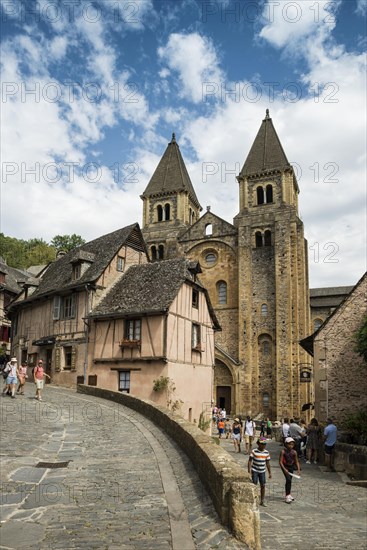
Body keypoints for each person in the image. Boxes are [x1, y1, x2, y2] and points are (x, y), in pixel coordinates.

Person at [248, 437, 272, 507]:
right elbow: (250, 461)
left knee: (263, 485)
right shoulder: (254, 451)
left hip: (262, 471)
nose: (263, 446)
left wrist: (270, 472)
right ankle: (253, 499)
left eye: (264, 444)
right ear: (258, 444)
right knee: (254, 484)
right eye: (262, 444)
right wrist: (249, 471)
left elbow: (267, 463)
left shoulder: (266, 453)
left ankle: (262, 500)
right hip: (255, 470)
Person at [279, 437, 300, 504]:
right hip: (285, 466)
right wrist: (284, 469)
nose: (290, 446)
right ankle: (287, 496)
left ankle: (288, 494)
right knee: (288, 479)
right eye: (289, 444)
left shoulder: (294, 452)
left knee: (289, 481)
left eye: (292, 444)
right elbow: (280, 462)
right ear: (286, 444)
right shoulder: (283, 452)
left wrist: (298, 469)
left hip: (291, 467)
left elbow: (296, 461)